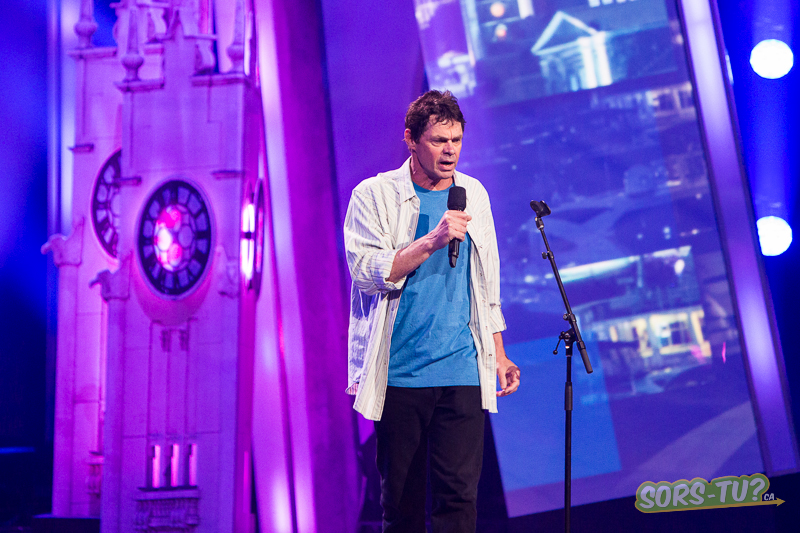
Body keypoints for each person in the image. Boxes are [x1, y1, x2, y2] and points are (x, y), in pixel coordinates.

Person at [344, 90, 520, 532]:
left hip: (461, 368)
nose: (450, 151)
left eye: (456, 140)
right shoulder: (374, 195)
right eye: (439, 140)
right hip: (400, 373)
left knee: (458, 501)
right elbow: (366, 271)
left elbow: (487, 283)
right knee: (401, 506)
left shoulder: (473, 194)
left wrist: (499, 353)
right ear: (411, 139)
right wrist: (431, 240)